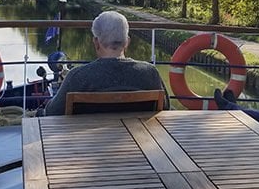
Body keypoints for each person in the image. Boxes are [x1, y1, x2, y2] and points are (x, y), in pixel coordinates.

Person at [39, 11, 168, 116]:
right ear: (127, 42)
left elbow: (52, 112)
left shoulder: (77, 77)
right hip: (140, 143)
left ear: (96, 42)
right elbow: (166, 109)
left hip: (88, 146)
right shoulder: (150, 73)